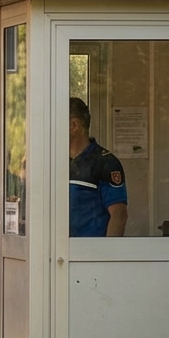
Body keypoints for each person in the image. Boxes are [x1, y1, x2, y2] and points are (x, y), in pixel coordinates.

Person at [68, 97, 127, 237]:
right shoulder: (55, 161)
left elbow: (119, 215)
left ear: (74, 125)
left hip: (90, 253)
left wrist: (106, 255)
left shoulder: (105, 162)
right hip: (61, 252)